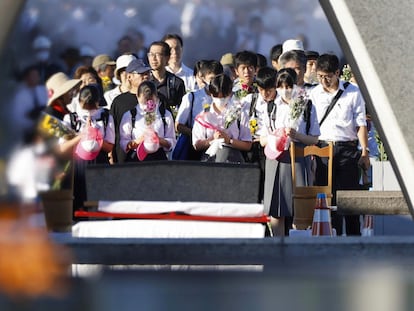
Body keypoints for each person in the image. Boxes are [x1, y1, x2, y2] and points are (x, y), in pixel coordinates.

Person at [309, 53, 370, 236]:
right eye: (320, 76)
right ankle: (330, 237)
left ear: (337, 73)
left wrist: (364, 151)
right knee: (326, 198)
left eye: (328, 76)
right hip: (322, 148)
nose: (324, 81)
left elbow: (361, 124)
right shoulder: (314, 93)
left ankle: (353, 239)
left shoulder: (353, 92)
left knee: (349, 199)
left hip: (346, 149)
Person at [261, 68, 320, 236]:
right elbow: (262, 139)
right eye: (281, 86)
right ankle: (278, 244)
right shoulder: (271, 107)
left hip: (299, 158)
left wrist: (297, 135)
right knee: (277, 209)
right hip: (277, 159)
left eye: (289, 86)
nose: (285, 90)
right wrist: (276, 136)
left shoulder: (306, 105)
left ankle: (298, 247)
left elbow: (315, 139)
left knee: (300, 209)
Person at [59, 85, 115, 210]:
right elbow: (62, 148)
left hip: (99, 164)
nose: (89, 111)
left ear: (97, 102)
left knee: (99, 204)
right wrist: (81, 136)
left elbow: (110, 146)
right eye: (85, 108)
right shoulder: (71, 119)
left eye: (92, 108)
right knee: (78, 204)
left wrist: (96, 137)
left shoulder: (106, 116)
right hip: (77, 165)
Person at [192, 74, 252, 163]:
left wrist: (229, 140)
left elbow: (247, 145)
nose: (220, 100)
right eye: (216, 96)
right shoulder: (204, 115)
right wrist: (212, 139)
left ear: (230, 93)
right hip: (210, 159)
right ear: (211, 94)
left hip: (233, 160)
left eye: (224, 97)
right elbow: (197, 145)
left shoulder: (239, 112)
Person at [241, 66, 278, 202]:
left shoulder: (281, 103)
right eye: (261, 90)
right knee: (253, 186)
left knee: (270, 188)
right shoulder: (249, 101)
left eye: (269, 90)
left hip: (273, 149)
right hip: (252, 147)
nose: (264, 94)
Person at [174, 60, 223, 160]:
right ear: (203, 78)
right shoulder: (192, 97)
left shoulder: (227, 98)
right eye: (211, 79)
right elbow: (178, 125)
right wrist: (197, 134)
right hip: (195, 150)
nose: (215, 83)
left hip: (220, 149)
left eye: (218, 78)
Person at [119, 81, 175, 162]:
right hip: (137, 156)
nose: (147, 104)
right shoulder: (130, 115)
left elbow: (172, 141)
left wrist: (159, 139)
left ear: (156, 97)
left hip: (158, 156)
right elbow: (124, 142)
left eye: (151, 100)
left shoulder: (165, 114)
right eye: (144, 101)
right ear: (137, 97)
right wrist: (139, 140)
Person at [110, 58, 151, 163]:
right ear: (129, 77)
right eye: (141, 73)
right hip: (127, 159)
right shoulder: (119, 102)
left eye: (147, 73)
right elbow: (112, 131)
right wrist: (112, 155)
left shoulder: (159, 99)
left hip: (154, 158)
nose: (146, 76)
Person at [147, 41, 185, 115]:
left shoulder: (176, 83)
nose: (153, 58)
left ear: (167, 57)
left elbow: (182, 111)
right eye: (151, 54)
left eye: (157, 55)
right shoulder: (144, 81)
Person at [11, 64, 47, 142]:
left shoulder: (43, 90)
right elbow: (18, 117)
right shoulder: (20, 96)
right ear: (26, 78)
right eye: (33, 75)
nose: (36, 77)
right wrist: (34, 125)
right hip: (29, 132)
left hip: (46, 127)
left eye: (37, 75)